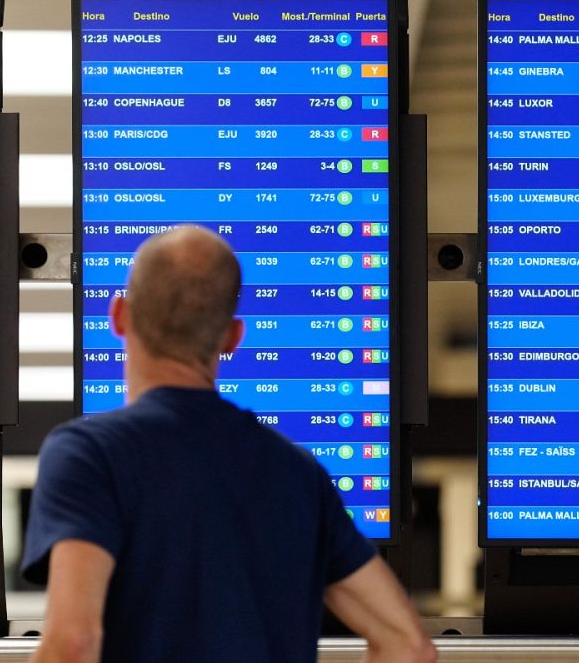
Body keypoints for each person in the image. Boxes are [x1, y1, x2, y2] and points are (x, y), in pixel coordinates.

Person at [24, 226, 436, 663]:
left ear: (120, 315)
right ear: (232, 338)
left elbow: (73, 642)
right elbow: (408, 645)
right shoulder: (298, 474)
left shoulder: (89, 455)